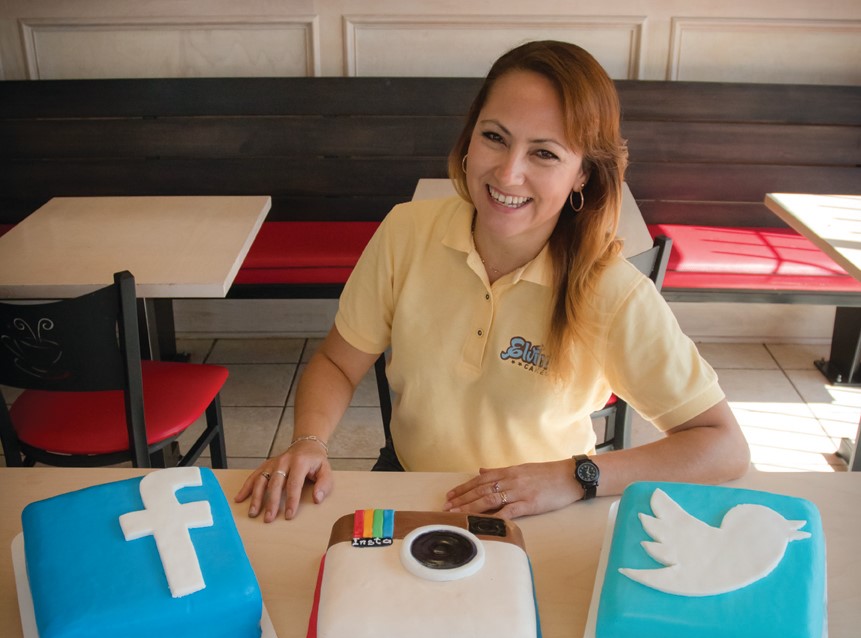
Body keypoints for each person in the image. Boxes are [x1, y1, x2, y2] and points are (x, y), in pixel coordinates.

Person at [236, 40, 750, 523]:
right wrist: (309, 441)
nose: (507, 174)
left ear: (583, 174)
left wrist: (576, 476)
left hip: (546, 508)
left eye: (544, 153)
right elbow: (336, 362)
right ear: (469, 138)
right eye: (495, 137)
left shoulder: (612, 291)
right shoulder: (406, 232)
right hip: (411, 482)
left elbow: (723, 445)